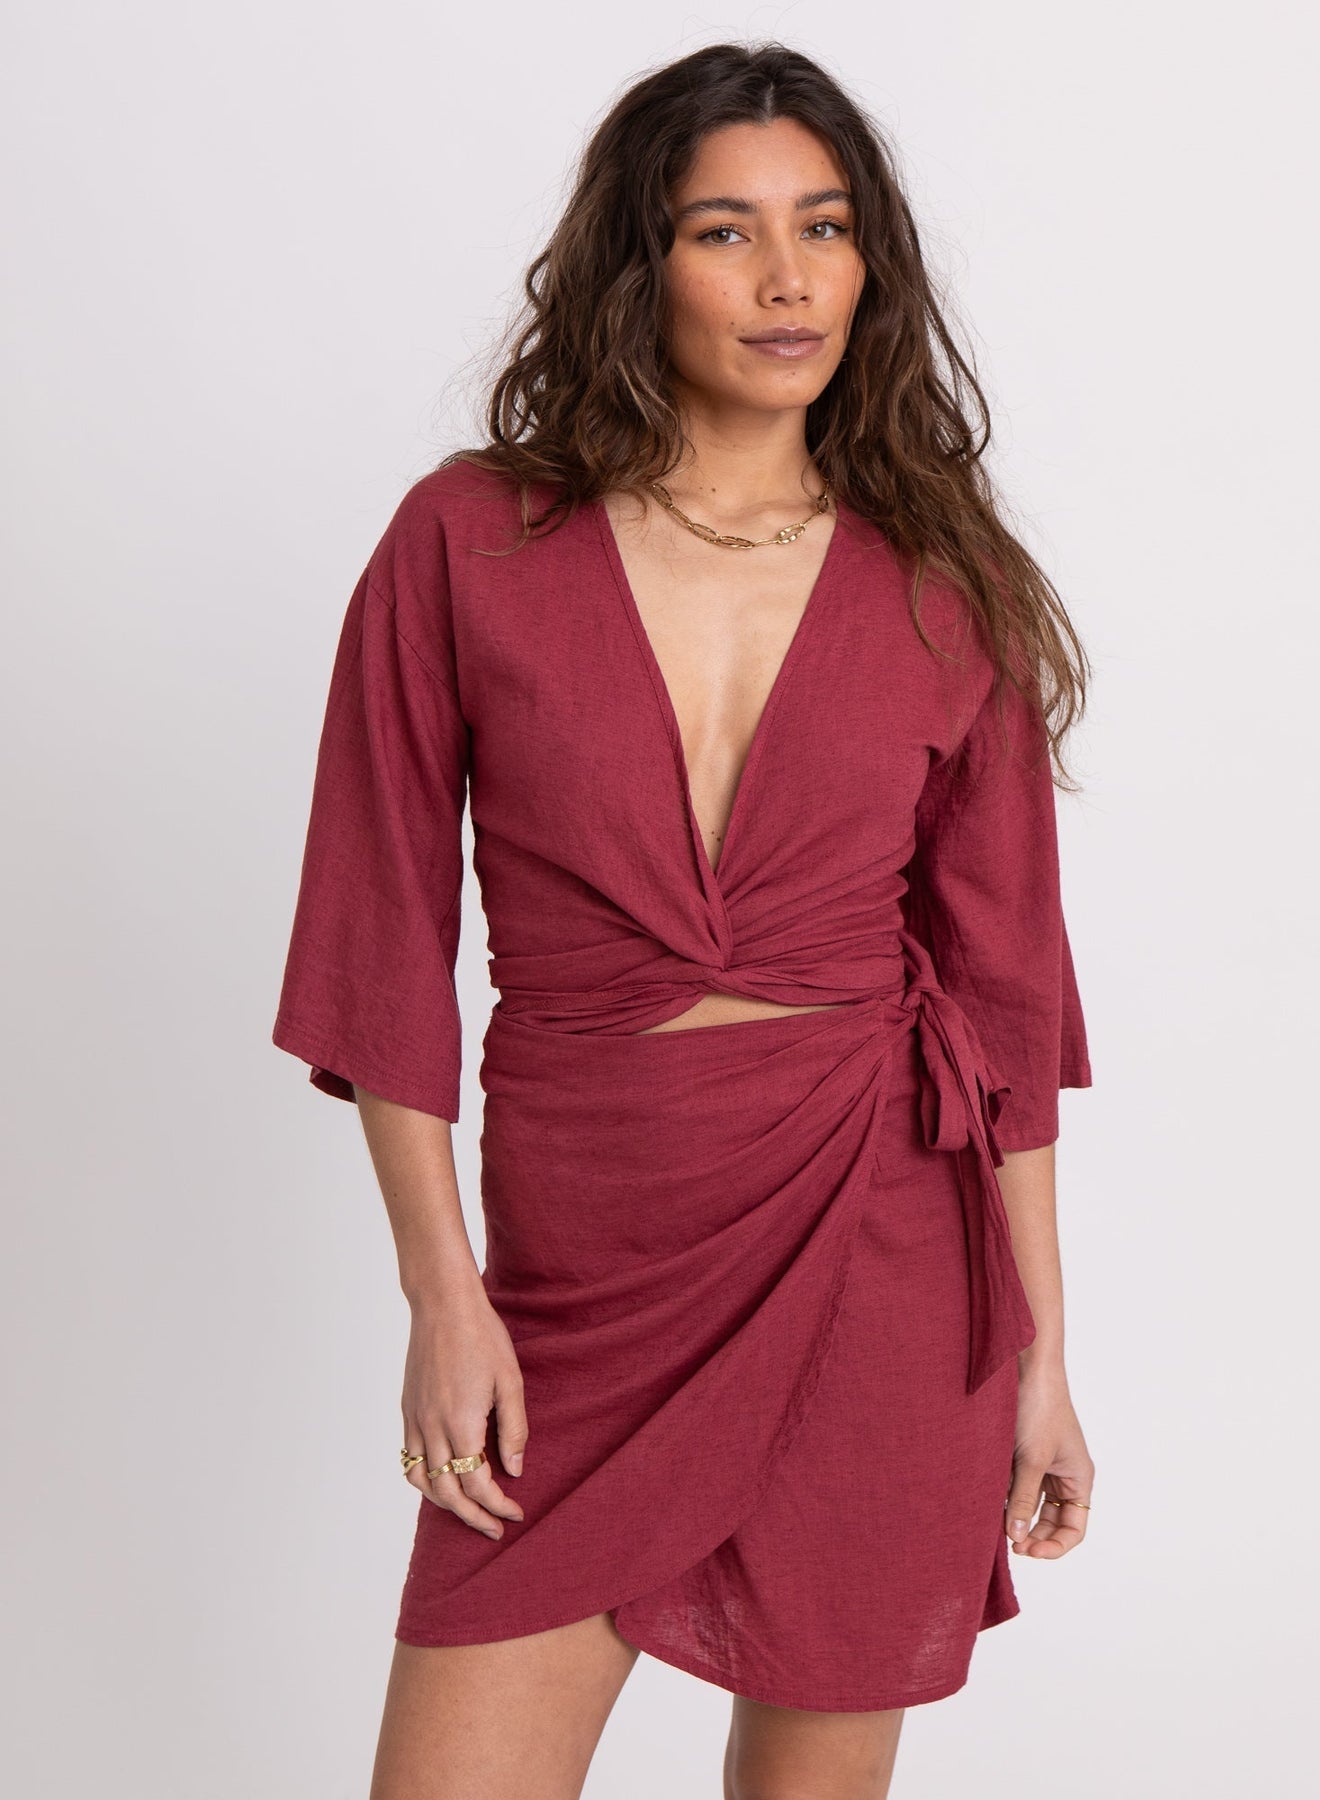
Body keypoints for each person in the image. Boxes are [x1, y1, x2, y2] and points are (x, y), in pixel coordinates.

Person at [272, 40, 1096, 1800]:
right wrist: (443, 1296)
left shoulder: (944, 580)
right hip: (580, 1276)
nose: (788, 277)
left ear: (871, 266)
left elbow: (1007, 1002)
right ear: (640, 264)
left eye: (826, 227)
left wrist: (1042, 1360)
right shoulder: (468, 541)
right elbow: (375, 938)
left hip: (878, 1249)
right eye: (728, 231)